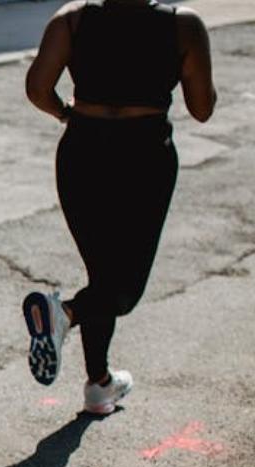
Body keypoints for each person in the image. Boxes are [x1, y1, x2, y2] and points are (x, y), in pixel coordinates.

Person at [22, 0, 217, 414]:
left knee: (103, 274)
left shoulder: (72, 19)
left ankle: (99, 383)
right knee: (122, 291)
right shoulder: (183, 25)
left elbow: (38, 88)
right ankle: (66, 314)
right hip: (144, 154)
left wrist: (67, 114)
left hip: (82, 151)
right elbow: (202, 108)